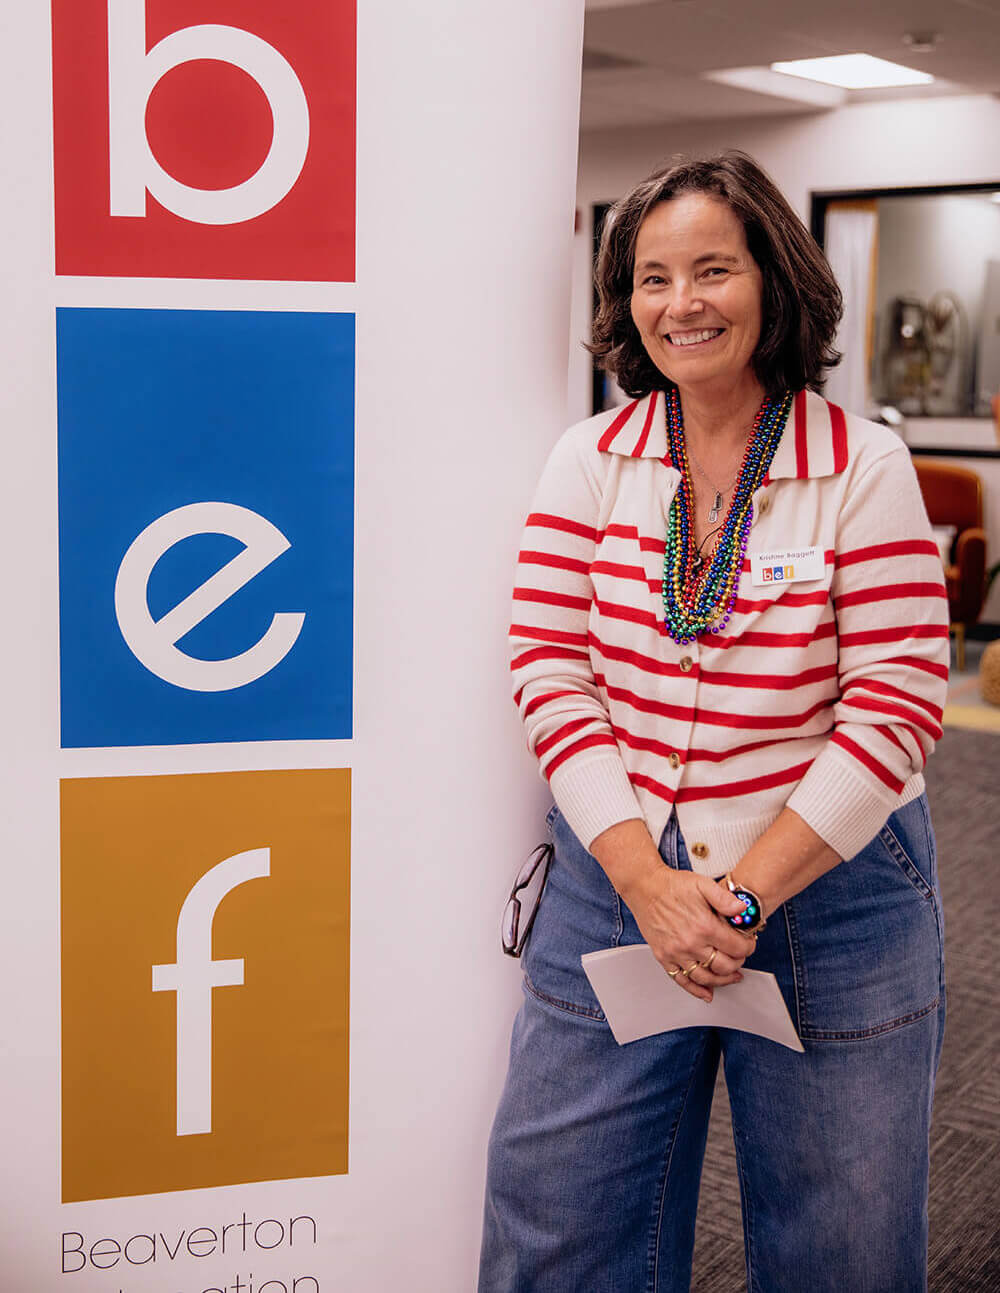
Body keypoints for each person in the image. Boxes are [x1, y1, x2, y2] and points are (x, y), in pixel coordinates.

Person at [479, 152, 949, 1293]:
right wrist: (645, 880)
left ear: (772, 283)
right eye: (651, 276)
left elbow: (896, 701)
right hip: (620, 874)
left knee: (836, 1242)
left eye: (711, 270)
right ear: (624, 300)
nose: (679, 302)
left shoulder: (860, 465)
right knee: (559, 1219)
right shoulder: (589, 462)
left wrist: (741, 897)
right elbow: (548, 665)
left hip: (828, 888)